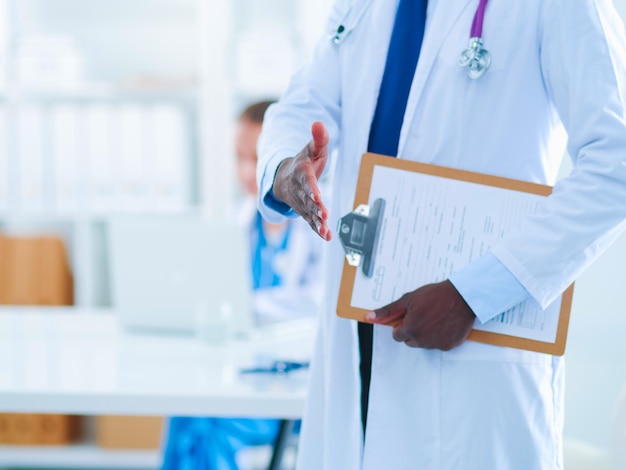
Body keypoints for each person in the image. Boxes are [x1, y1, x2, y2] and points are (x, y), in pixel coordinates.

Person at [256, 1, 626, 469]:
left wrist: (473, 295)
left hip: (475, 343)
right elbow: (303, 103)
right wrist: (284, 166)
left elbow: (616, 162)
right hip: (356, 338)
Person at [161, 101, 323, 469]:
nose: (248, 172)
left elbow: (319, 301)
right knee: (185, 413)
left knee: (210, 424)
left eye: (257, 158)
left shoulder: (316, 227)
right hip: (237, 373)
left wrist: (247, 307)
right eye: (239, 158)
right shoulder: (235, 223)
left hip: (291, 383)